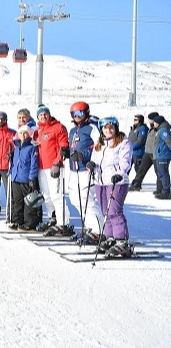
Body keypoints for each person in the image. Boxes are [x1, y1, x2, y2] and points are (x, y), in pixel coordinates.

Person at [87, 117, 133, 256]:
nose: (108, 130)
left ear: (116, 128)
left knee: (114, 210)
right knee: (105, 211)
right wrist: (91, 165)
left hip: (117, 181)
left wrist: (120, 173)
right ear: (101, 129)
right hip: (101, 181)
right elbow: (95, 160)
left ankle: (121, 240)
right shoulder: (99, 144)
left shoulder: (123, 143)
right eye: (105, 128)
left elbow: (125, 160)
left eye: (111, 127)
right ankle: (110, 237)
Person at [65, 101, 103, 241]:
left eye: (80, 113)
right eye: (74, 114)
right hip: (74, 169)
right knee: (75, 199)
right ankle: (90, 226)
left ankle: (99, 231)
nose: (77, 116)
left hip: (87, 168)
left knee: (88, 199)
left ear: (86, 113)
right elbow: (74, 147)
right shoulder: (73, 130)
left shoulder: (92, 128)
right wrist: (66, 152)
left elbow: (100, 146)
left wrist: (84, 155)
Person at [32, 105, 70, 235]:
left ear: (49, 114)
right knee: (46, 196)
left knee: (56, 195)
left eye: (45, 114)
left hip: (54, 167)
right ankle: (53, 218)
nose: (43, 117)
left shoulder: (58, 127)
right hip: (41, 168)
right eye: (40, 115)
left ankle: (63, 223)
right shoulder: (38, 131)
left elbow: (64, 145)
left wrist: (58, 162)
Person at [9, 125, 41, 231]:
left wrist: (32, 177)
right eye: (21, 132)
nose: (23, 135)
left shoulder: (32, 147)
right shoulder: (17, 147)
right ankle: (17, 220)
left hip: (26, 178)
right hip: (16, 178)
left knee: (29, 202)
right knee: (17, 201)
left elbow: (34, 163)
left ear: (29, 134)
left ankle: (30, 223)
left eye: (25, 133)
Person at [130, 112, 159, 192]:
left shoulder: (145, 128)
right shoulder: (151, 128)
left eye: (150, 119)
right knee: (141, 170)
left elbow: (140, 141)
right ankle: (136, 184)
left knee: (159, 171)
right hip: (147, 152)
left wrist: (131, 147)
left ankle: (162, 187)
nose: (148, 121)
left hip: (154, 153)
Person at [127, 114, 149, 188]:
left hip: (138, 152)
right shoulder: (134, 128)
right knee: (127, 167)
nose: (134, 121)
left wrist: (131, 147)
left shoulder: (142, 128)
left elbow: (140, 141)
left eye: (136, 120)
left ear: (140, 120)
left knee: (138, 169)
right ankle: (123, 182)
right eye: (134, 119)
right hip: (131, 153)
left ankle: (137, 184)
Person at [154, 115, 171, 199]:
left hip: (164, 155)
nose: (154, 123)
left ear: (158, 123)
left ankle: (166, 191)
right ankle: (164, 190)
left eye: (155, 122)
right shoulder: (160, 130)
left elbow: (168, 141)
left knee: (164, 174)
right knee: (161, 173)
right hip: (160, 155)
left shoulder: (163, 130)